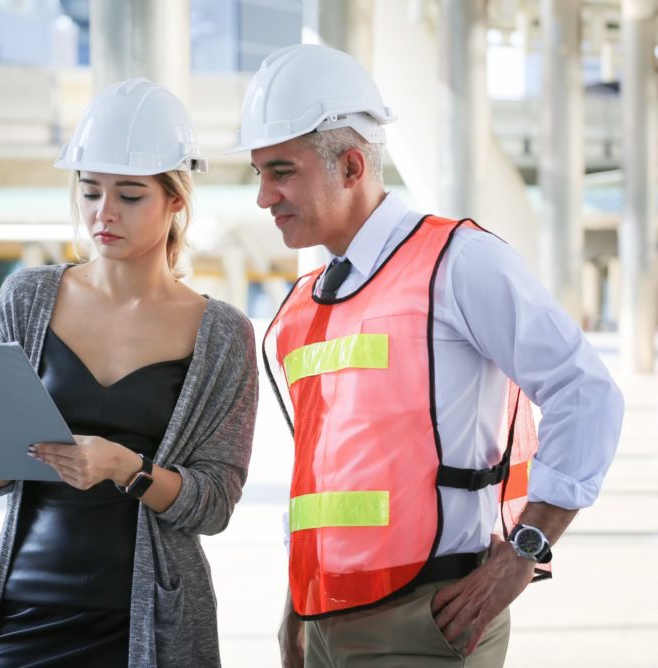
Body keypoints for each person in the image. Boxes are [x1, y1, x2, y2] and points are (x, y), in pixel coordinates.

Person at [229, 44, 624, 667]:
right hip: (320, 620)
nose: (264, 196)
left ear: (352, 165)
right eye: (259, 174)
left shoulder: (458, 262)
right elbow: (325, 481)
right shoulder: (305, 305)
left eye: (282, 171)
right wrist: (295, 607)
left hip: (428, 619)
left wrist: (523, 553)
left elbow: (586, 393)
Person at [0, 78, 259, 668]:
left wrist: (128, 468)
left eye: (130, 195)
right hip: (25, 605)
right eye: (90, 191)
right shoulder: (26, 298)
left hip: (151, 618)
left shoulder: (222, 334)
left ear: (176, 199)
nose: (104, 214)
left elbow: (215, 504)